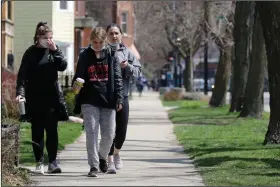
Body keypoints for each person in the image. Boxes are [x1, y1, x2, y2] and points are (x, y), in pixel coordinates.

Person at [15, 22, 68, 174]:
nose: (49, 40)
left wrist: (55, 51)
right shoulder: (30, 53)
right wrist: (20, 93)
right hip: (34, 98)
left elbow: (62, 66)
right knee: (37, 131)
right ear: (38, 37)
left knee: (52, 131)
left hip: (51, 98)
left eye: (51, 37)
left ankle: (53, 162)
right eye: (46, 38)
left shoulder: (54, 50)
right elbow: (22, 76)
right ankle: (39, 163)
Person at [73, 27, 124, 177]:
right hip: (89, 100)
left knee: (109, 134)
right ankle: (93, 166)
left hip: (108, 100)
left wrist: (119, 98)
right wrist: (76, 88)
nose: (97, 45)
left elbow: (118, 79)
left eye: (100, 42)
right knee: (92, 133)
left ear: (105, 41)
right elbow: (78, 77)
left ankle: (102, 156)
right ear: (91, 41)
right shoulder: (85, 56)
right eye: (94, 42)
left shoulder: (112, 55)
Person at [106, 23, 142, 173]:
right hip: (106, 97)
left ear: (121, 35)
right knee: (108, 130)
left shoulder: (127, 52)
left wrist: (127, 67)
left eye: (116, 33)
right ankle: (109, 160)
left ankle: (116, 153)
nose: (114, 36)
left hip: (123, 96)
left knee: (121, 130)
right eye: (111, 33)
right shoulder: (102, 52)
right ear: (107, 36)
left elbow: (138, 72)